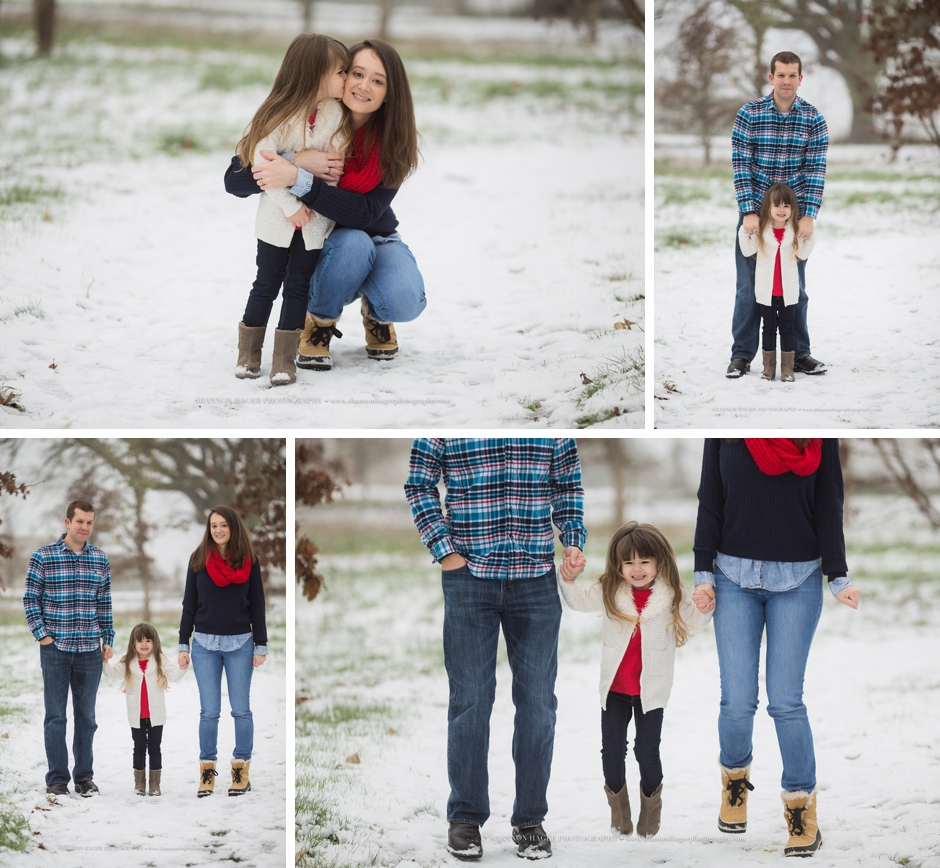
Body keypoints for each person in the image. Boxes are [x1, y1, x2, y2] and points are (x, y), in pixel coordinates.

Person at [405, 438, 587, 861]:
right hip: (468, 575)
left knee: (539, 703)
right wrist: (444, 550)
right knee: (470, 700)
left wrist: (573, 539)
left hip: (537, 579)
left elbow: (567, 485)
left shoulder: (554, 429)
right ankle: (465, 818)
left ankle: (529, 822)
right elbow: (419, 484)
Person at [691, 438, 860, 857]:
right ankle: (734, 782)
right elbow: (710, 500)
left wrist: (837, 575)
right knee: (737, 699)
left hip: (800, 580)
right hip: (731, 575)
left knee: (786, 701)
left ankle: (801, 810)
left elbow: (828, 504)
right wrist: (702, 573)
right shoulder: (726, 433)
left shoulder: (817, 435)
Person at [225, 38, 426, 371]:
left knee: (401, 296)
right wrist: (295, 160)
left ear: (390, 92)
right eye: (356, 73)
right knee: (351, 245)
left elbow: (363, 214)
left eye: (377, 80)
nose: (363, 85)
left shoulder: (394, 141)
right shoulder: (312, 115)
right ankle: (318, 321)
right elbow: (235, 179)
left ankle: (374, 312)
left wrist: (295, 177)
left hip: (372, 234)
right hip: (320, 241)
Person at [558, 522, 711, 839]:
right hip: (614, 690)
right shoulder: (610, 590)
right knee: (612, 753)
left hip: (650, 692)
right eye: (629, 562)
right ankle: (620, 815)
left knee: (646, 751)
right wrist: (569, 580)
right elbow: (579, 602)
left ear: (659, 562)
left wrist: (705, 605)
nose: (637, 569)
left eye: (644, 561)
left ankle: (651, 812)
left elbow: (695, 620)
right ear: (618, 564)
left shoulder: (671, 592)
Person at [233, 33, 349, 386]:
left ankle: (284, 362)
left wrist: (314, 198)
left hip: (313, 223)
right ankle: (249, 356)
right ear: (316, 73)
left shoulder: (336, 115)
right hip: (277, 220)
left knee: (297, 287)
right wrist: (289, 206)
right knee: (265, 284)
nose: (346, 78)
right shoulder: (280, 114)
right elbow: (263, 166)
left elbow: (334, 167)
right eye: (341, 72)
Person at [727, 51, 828, 379]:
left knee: (794, 288)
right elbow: (741, 164)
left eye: (792, 75)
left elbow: (816, 170)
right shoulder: (749, 114)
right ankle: (742, 355)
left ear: (801, 79)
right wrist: (748, 212)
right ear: (771, 78)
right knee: (748, 288)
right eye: (780, 75)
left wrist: (808, 215)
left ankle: (799, 353)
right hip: (756, 215)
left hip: (793, 218)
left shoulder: (813, 119)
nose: (786, 81)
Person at [23, 500, 114, 797]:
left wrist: (107, 638)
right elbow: (30, 600)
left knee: (87, 718)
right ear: (67, 522)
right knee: (55, 716)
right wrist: (42, 636)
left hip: (89, 649)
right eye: (80, 521)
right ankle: (57, 779)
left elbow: (104, 603)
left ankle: (84, 778)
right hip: (55, 648)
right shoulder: (43, 556)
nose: (85, 527)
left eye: (89, 522)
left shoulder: (100, 559)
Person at [178, 506, 267, 798]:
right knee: (209, 712)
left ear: (234, 527)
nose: (218, 530)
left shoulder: (249, 561)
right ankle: (207, 773)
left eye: (223, 525)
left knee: (241, 710)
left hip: (240, 644)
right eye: (213, 525)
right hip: (203, 645)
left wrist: (261, 645)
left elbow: (257, 605)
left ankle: (240, 771)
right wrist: (183, 643)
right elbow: (189, 604)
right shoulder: (198, 559)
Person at [738, 183, 815, 382]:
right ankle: (768, 370)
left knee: (787, 327)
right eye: (777, 206)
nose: (781, 210)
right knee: (769, 327)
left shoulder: (793, 233)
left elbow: (804, 253)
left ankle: (788, 370)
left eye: (786, 206)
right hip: (767, 292)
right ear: (768, 208)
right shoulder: (762, 232)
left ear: (793, 209)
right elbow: (747, 251)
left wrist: (807, 235)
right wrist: (745, 230)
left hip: (788, 293)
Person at [103, 622, 187, 796]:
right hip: (136, 715)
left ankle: (155, 785)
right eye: (140, 640)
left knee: (155, 748)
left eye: (148, 640)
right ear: (133, 643)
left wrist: (183, 667)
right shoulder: (128, 661)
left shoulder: (159, 659)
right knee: (139, 747)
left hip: (156, 714)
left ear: (154, 643)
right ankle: (139, 785)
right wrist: (105, 661)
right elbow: (111, 674)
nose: (144, 644)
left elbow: (174, 675)